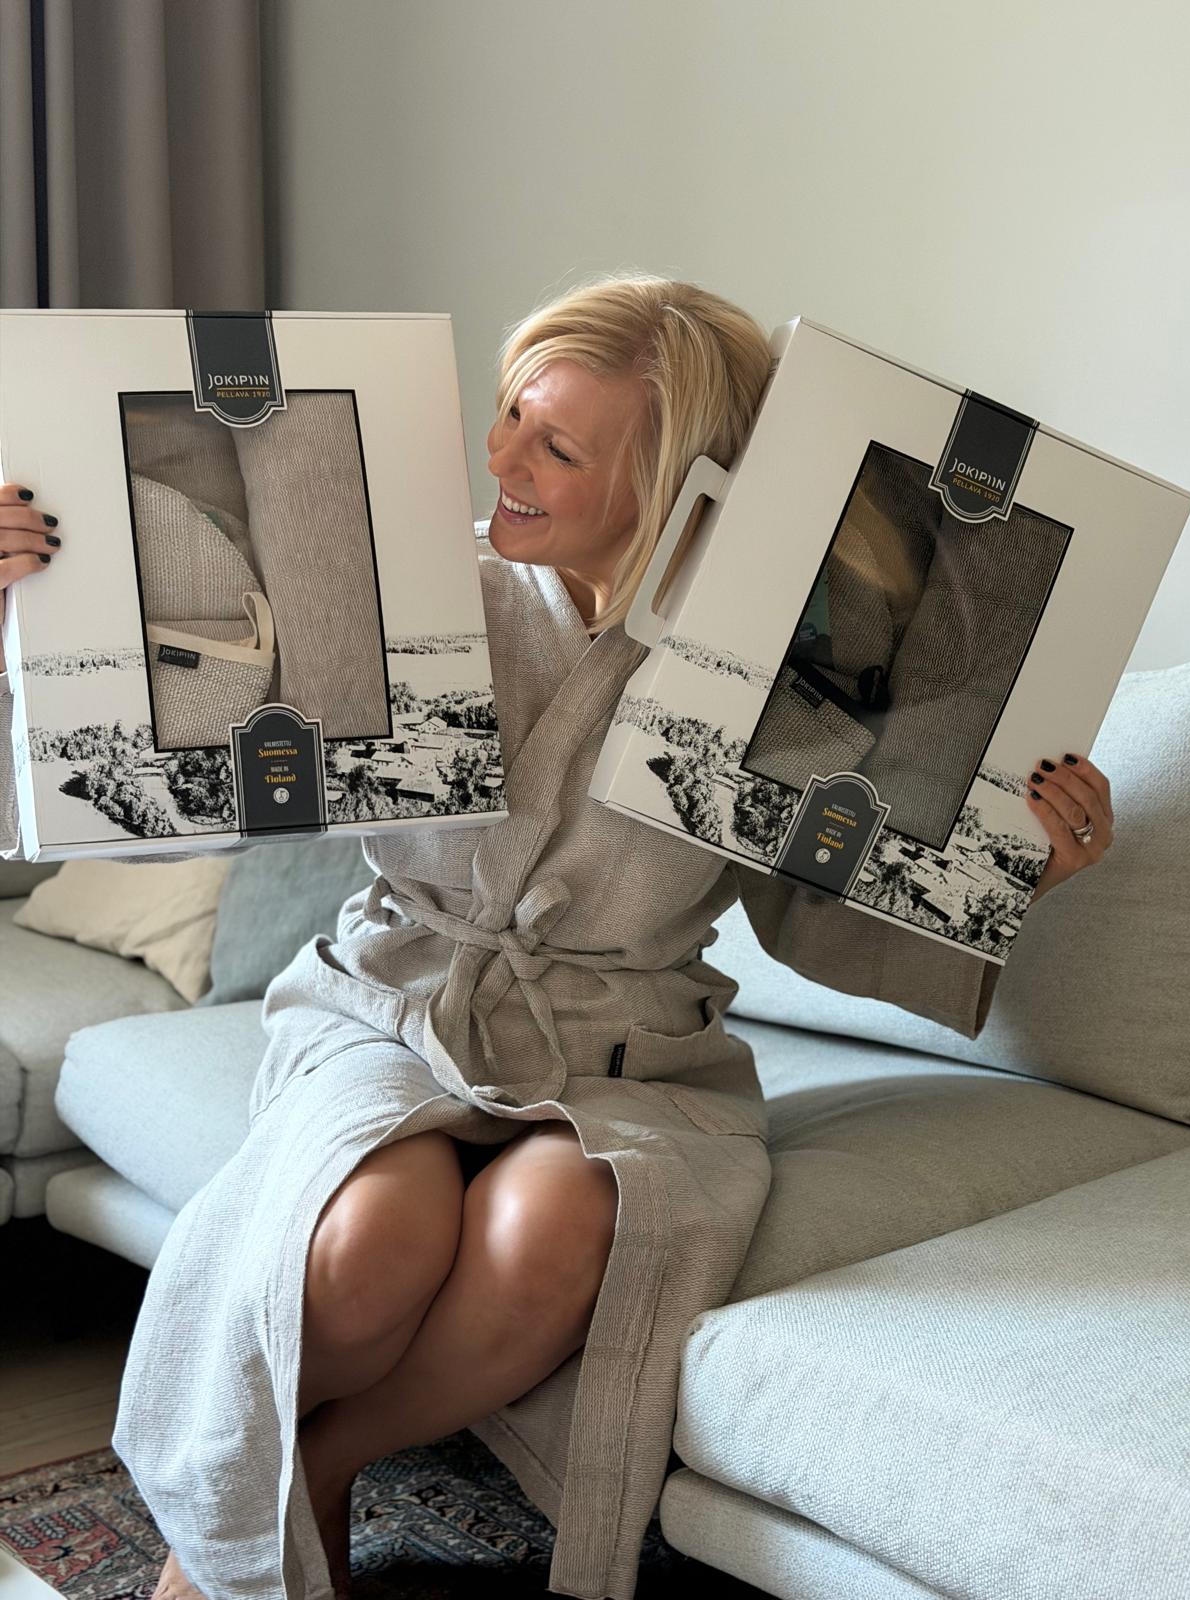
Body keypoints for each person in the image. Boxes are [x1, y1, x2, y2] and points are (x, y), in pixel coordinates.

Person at [0, 274, 1115, 1600]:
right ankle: (242, 1503)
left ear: (682, 488)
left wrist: (1014, 871)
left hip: (627, 1049)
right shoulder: (425, 590)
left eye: (558, 447)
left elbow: (810, 913)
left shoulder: (776, 670)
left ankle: (321, 1468)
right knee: (368, 1249)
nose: (501, 458)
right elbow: (197, 768)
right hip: (392, 1006)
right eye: (509, 415)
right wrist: (49, 617)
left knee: (553, 1233)